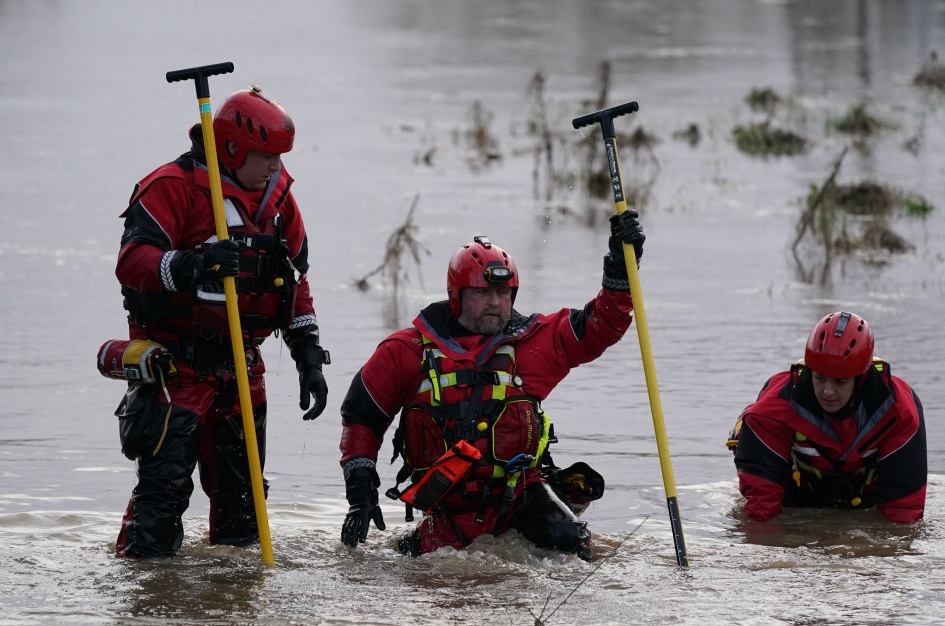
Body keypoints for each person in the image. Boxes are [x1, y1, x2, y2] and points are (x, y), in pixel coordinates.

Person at [336, 214, 646, 561]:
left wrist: (619, 272)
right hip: (449, 509)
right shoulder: (405, 352)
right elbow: (361, 418)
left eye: (503, 292)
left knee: (568, 540)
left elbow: (600, 326)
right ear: (456, 295)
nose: (496, 302)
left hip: (520, 496)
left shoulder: (533, 343)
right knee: (414, 570)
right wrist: (360, 495)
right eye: (483, 293)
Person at [110, 85, 330, 558]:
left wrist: (308, 356)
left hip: (242, 367)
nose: (276, 166)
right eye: (266, 155)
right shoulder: (172, 187)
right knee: (163, 494)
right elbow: (132, 262)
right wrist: (193, 264)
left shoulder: (280, 202)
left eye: (280, 156)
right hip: (176, 366)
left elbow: (294, 281)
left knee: (244, 504)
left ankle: (233, 601)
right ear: (231, 148)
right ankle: (143, 595)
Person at [727, 311, 926, 524]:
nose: (827, 391)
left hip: (867, 498)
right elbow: (760, 511)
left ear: (861, 378)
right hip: (797, 497)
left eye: (840, 382)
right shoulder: (771, 411)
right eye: (819, 378)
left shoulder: (900, 411)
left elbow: (904, 511)